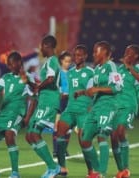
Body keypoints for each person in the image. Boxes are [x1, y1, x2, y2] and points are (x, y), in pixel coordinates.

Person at [80, 41, 122, 178]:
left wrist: (97, 89)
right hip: (96, 107)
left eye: (95, 52)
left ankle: (101, 172)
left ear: (104, 52)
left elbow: (117, 87)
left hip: (109, 105)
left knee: (102, 135)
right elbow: (94, 90)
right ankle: (97, 170)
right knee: (85, 139)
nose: (93, 54)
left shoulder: (111, 67)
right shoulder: (97, 69)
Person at [24, 35, 61, 178]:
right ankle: (51, 166)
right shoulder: (47, 62)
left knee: (34, 134)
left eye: (41, 46)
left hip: (49, 101)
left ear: (47, 45)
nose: (40, 49)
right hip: (42, 101)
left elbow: (51, 79)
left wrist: (38, 86)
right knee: (29, 136)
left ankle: (53, 167)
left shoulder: (52, 60)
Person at [56, 45, 94, 176]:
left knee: (84, 142)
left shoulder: (90, 72)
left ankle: (91, 171)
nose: (77, 57)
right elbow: (70, 91)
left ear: (85, 56)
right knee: (60, 131)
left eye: (80, 55)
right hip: (70, 110)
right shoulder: (70, 72)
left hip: (84, 111)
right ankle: (62, 167)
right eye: (75, 55)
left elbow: (92, 92)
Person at [111, 44, 139, 178]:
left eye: (129, 53)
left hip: (129, 106)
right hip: (116, 105)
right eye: (125, 52)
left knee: (120, 131)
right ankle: (121, 170)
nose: (126, 54)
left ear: (136, 56)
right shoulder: (119, 69)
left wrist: (129, 68)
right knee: (113, 137)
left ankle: (126, 169)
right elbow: (114, 86)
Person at [52, 51, 72, 158]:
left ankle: (64, 150)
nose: (68, 63)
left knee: (68, 127)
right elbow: (55, 87)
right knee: (57, 125)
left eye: (69, 61)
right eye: (66, 61)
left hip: (69, 101)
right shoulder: (58, 73)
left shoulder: (72, 73)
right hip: (60, 100)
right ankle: (56, 150)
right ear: (61, 61)